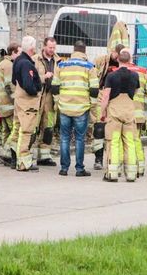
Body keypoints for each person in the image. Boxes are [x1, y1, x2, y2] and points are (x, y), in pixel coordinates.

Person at [52, 40, 97, 177]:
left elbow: (54, 86)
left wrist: (58, 101)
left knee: (64, 138)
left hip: (64, 107)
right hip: (81, 108)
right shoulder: (89, 67)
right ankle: (79, 169)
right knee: (79, 139)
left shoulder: (61, 65)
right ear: (84, 51)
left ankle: (64, 168)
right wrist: (92, 104)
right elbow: (94, 90)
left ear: (73, 50)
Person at [98, 50, 141, 182]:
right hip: (129, 112)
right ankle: (132, 173)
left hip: (115, 113)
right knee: (129, 142)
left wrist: (102, 112)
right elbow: (136, 91)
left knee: (114, 142)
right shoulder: (135, 76)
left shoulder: (111, 76)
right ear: (129, 61)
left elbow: (106, 96)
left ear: (118, 60)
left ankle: (112, 173)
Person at [90, 42, 126, 171]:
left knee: (116, 129)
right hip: (102, 94)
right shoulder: (101, 60)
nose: (119, 59)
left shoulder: (124, 64)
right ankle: (98, 158)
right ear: (114, 52)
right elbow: (92, 74)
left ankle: (115, 159)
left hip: (116, 98)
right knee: (99, 126)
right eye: (118, 56)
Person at [12, 36, 42, 172]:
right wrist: (36, 91)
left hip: (19, 99)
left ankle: (14, 158)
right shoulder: (27, 64)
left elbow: (14, 81)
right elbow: (29, 84)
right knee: (26, 130)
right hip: (27, 102)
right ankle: (23, 162)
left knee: (17, 128)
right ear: (32, 48)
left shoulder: (17, 60)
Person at [33, 37, 60, 166]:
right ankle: (27, 154)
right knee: (33, 127)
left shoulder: (58, 61)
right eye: (50, 47)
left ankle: (44, 156)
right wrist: (44, 77)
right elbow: (31, 78)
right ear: (44, 46)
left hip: (51, 99)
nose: (52, 50)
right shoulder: (35, 60)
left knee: (48, 128)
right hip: (38, 98)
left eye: (54, 48)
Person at [0, 43, 21, 167]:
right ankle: (6, 153)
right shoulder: (9, 65)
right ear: (13, 53)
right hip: (9, 105)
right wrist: (17, 100)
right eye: (19, 53)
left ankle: (7, 156)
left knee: (5, 131)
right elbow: (9, 85)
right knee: (14, 131)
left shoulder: (1, 64)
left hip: (2, 104)